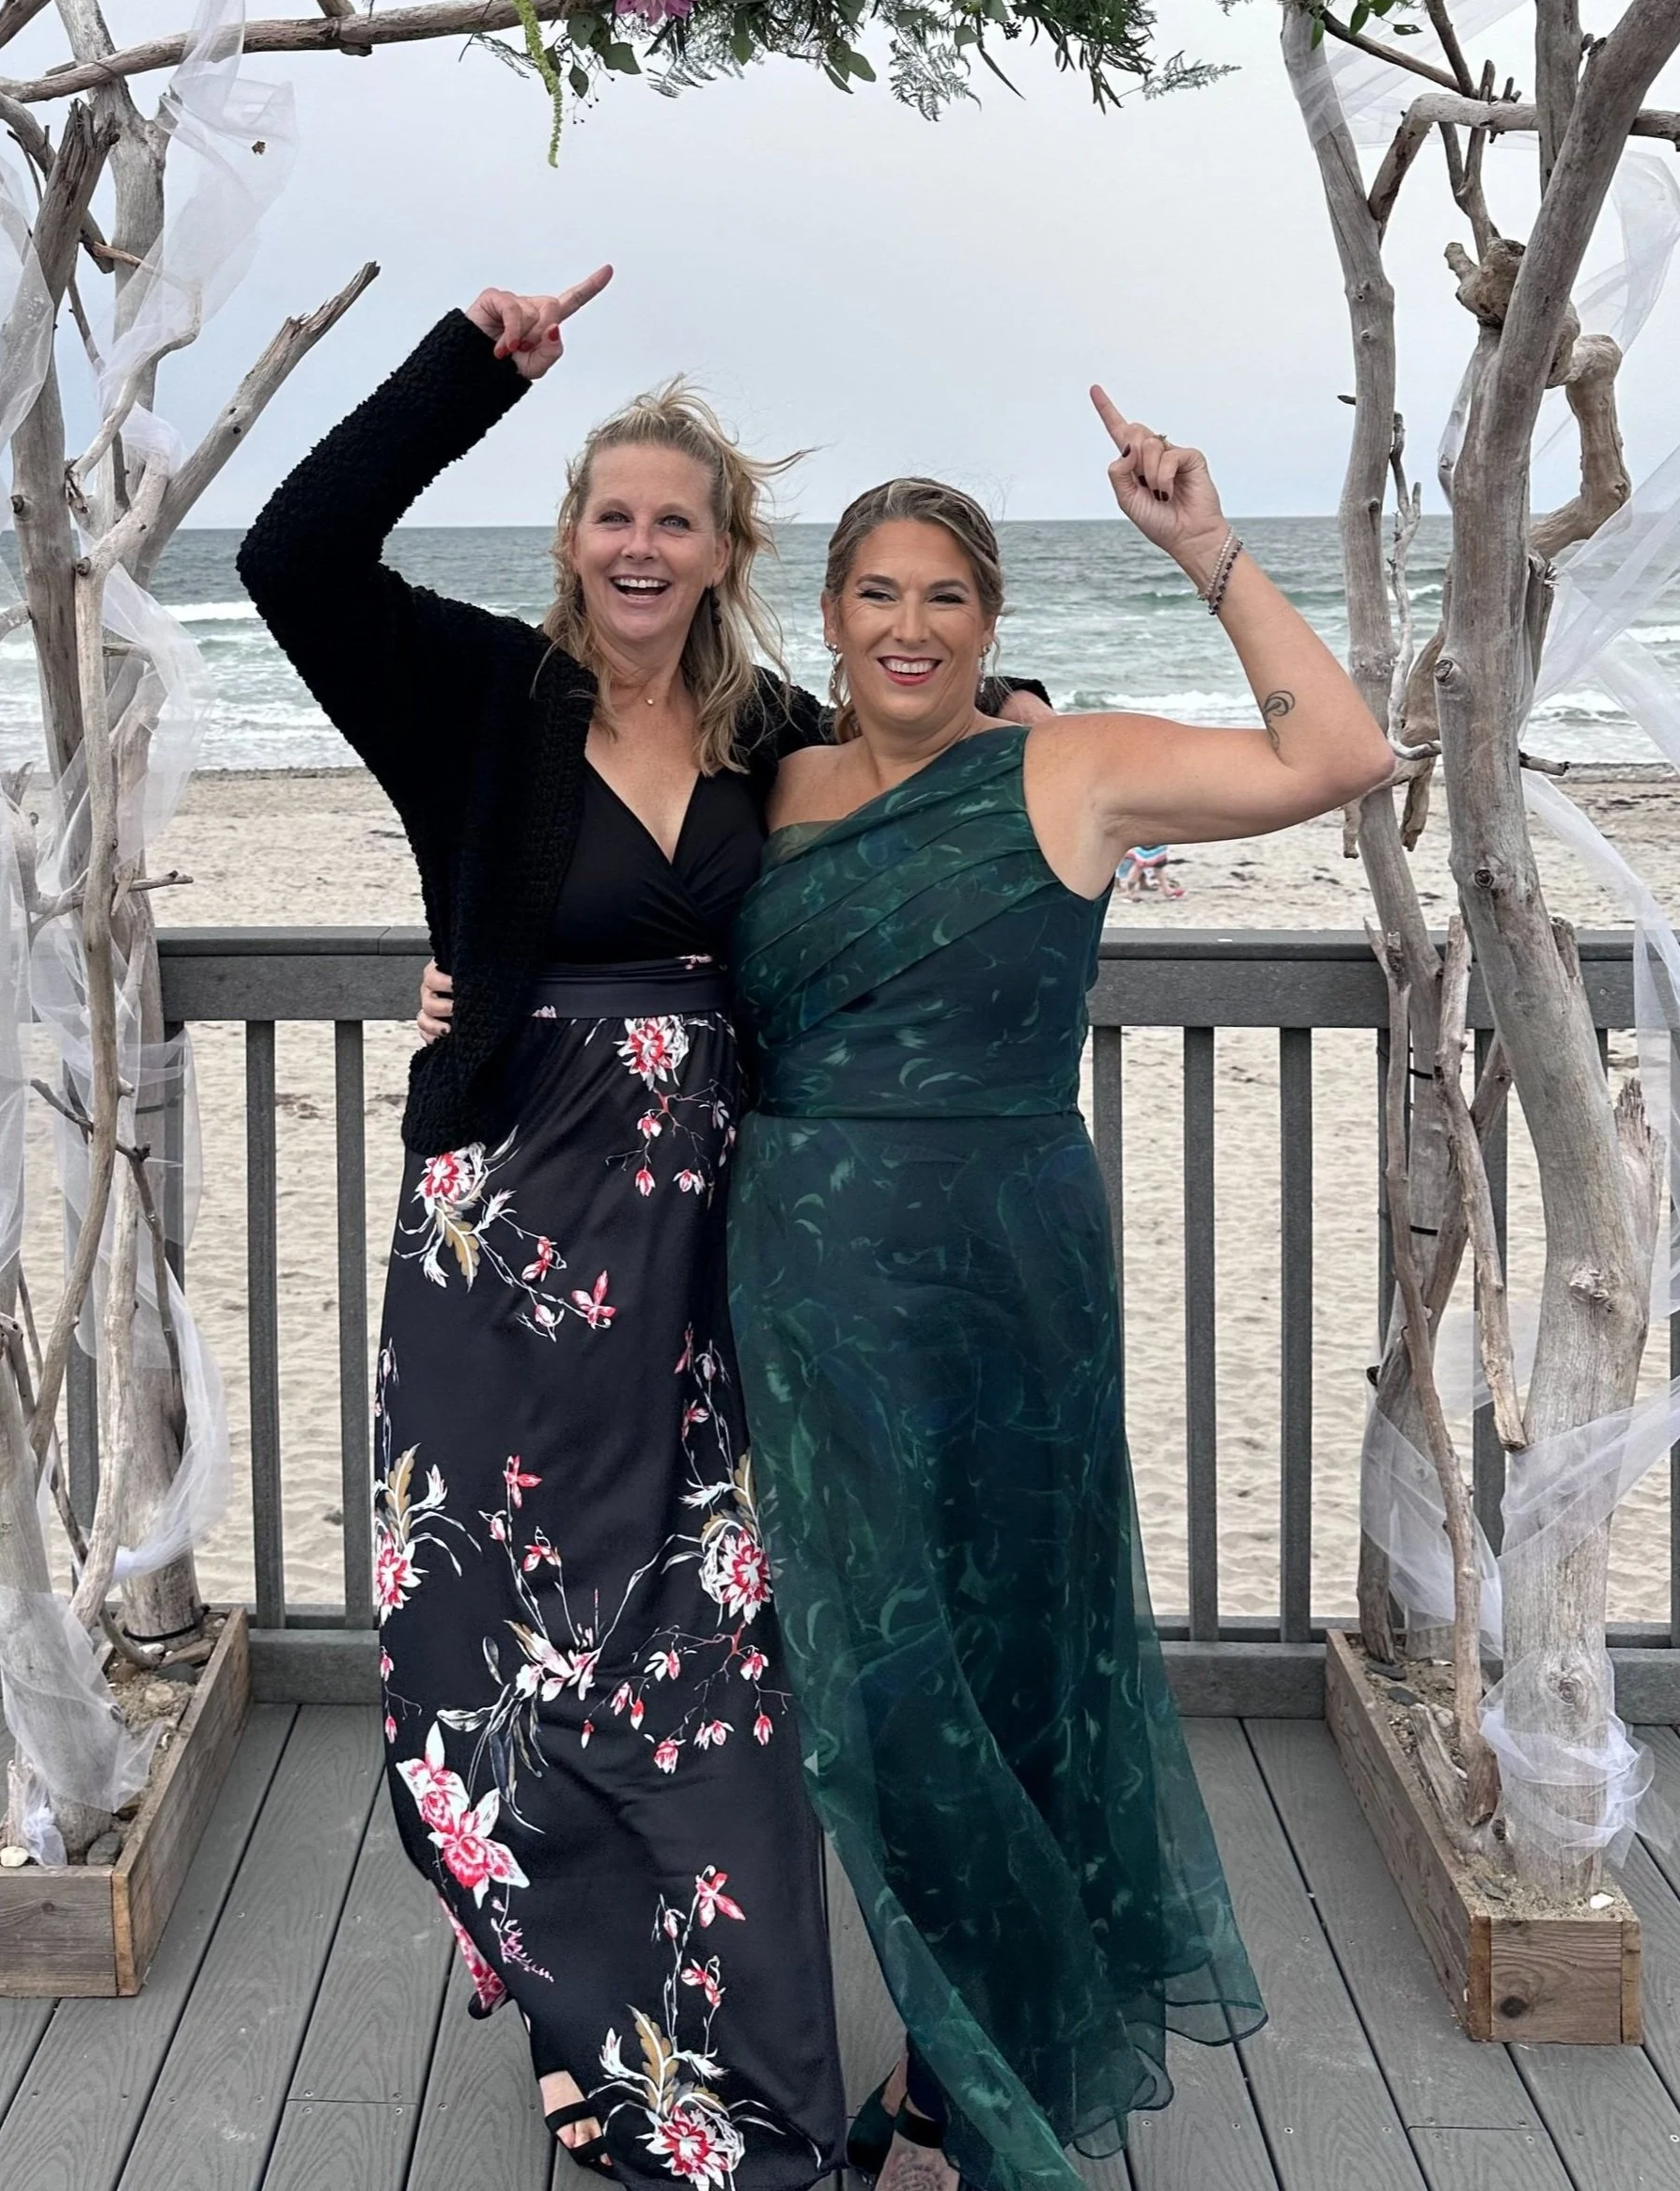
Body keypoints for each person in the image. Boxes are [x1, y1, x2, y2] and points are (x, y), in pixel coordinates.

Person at [241, 272, 1043, 2188]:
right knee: (499, 1632)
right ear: (572, 535)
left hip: (699, 1251)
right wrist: (470, 369)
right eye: (611, 512)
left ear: (720, 549)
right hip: (502, 1234)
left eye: (673, 517)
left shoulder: (772, 727)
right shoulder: (469, 694)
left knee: (696, 1641)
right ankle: (560, 2022)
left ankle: (732, 2079)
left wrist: (1036, 728)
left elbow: (928, 738)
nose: (638, 542)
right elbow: (289, 550)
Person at [723, 402, 1392, 2191]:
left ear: (992, 618)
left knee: (1013, 1654)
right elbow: (633, 941)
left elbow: (1341, 751)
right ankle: (949, 2040)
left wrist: (1204, 548)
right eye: (876, 593)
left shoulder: (1071, 766)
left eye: (946, 595)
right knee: (858, 1675)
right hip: (796, 1274)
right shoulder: (769, 789)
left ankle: (964, 2078)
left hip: (1005, 1271)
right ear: (831, 614)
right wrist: (465, 992)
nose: (910, 626)